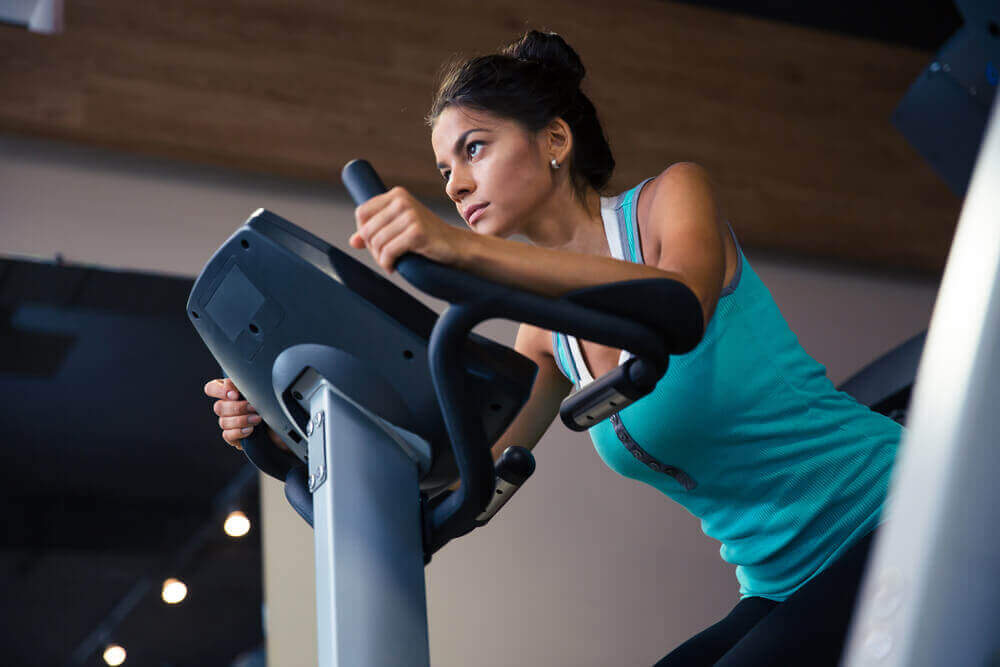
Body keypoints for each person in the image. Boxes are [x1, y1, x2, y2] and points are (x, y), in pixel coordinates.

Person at [203, 30, 902, 666]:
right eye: (444, 170)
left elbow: (679, 306)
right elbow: (459, 483)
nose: (456, 184)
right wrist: (285, 437)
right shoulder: (542, 335)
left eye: (474, 148)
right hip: (777, 580)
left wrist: (463, 251)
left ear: (555, 141)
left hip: (888, 512)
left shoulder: (669, 200)